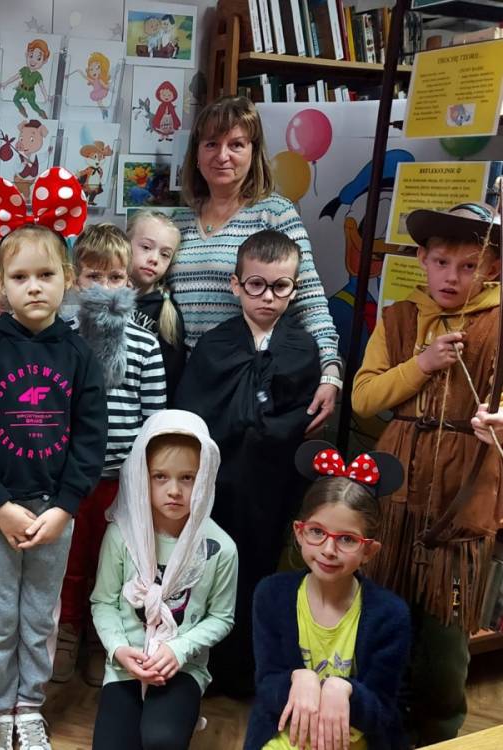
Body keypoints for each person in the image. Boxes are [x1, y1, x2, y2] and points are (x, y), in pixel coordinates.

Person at [0, 168, 107, 750]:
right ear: (1, 284)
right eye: (20, 277)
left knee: (41, 616)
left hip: (53, 514)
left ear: (67, 277)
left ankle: (29, 707)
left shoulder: (79, 353)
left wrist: (65, 508)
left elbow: (90, 437)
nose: (35, 288)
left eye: (46, 275)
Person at [352, 202, 501, 745]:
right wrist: (422, 364)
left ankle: (438, 732)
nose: (452, 277)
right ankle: (377, 723)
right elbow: (364, 398)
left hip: (464, 496)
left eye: (469, 266)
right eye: (441, 262)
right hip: (395, 491)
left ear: (492, 268)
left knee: (445, 635)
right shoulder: (399, 317)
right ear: (422, 259)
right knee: (385, 615)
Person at [176, 229, 321, 697]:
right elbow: (196, 410)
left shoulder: (302, 348)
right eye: (256, 285)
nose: (268, 297)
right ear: (236, 285)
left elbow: (300, 417)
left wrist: (260, 426)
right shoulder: (214, 345)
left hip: (271, 485)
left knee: (260, 568)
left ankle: (245, 669)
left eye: (280, 286)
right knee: (209, 568)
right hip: (220, 485)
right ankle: (199, 663)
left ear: (294, 289)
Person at [168, 96, 341, 434]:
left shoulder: (275, 213)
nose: (222, 155)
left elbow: (309, 301)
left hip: (254, 386)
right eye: (211, 144)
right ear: (196, 153)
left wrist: (330, 371)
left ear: (253, 151)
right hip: (192, 384)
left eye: (236, 144)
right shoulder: (178, 221)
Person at [54, 223, 166, 686]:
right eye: (94, 277)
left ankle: (106, 638)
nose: (105, 287)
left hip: (122, 480)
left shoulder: (144, 343)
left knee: (114, 564)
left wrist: (146, 481)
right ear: (75, 279)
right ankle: (67, 632)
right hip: (68, 477)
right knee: (70, 561)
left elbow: (154, 422)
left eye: (116, 277)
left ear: (129, 282)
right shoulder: (59, 338)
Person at [246, 441, 410, 750]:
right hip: (285, 738)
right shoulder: (271, 595)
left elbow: (384, 712)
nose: (329, 550)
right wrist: (297, 678)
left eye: (347, 539)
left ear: (369, 551)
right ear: (299, 532)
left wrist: (346, 690)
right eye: (317, 532)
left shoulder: (390, 614)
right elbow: (266, 686)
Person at [90, 410, 238, 750]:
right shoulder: (121, 536)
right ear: (141, 477)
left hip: (181, 667)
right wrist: (119, 649)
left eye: (187, 478)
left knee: (162, 740)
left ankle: (180, 714)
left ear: (205, 478)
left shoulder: (221, 548)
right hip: (125, 665)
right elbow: (103, 602)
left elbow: (221, 617)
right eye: (160, 477)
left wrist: (177, 650)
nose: (174, 490)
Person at [126, 209, 186, 402]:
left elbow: (172, 376)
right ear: (125, 243)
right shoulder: (105, 298)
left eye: (165, 254)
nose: (154, 259)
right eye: (146, 247)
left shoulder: (167, 313)